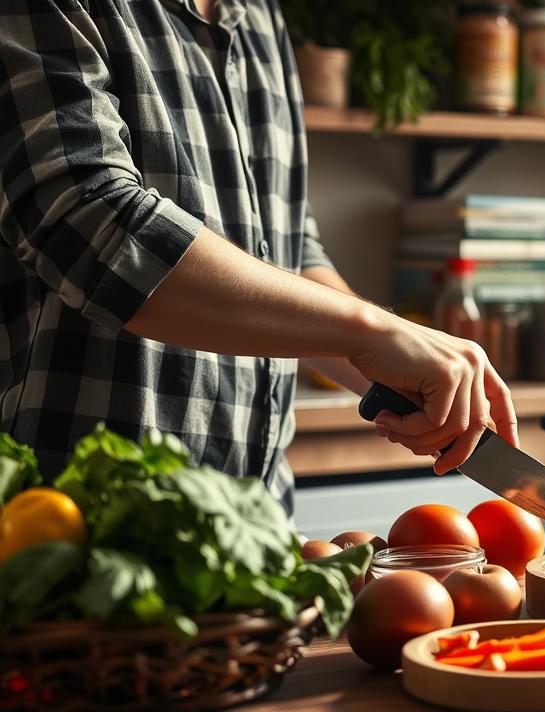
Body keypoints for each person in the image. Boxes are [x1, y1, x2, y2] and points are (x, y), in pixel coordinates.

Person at [0, 0, 518, 510]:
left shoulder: (259, 16)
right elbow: (88, 220)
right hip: (73, 525)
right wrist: (373, 331)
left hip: (252, 527)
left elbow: (286, 244)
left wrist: (403, 371)